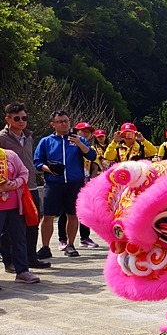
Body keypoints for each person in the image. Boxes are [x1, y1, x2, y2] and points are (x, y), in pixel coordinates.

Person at [34, 110, 97, 259]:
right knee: (48, 216)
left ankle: (71, 245)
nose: (64, 124)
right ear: (53, 124)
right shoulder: (46, 141)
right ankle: (45, 247)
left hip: (74, 183)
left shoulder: (79, 140)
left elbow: (91, 156)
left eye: (66, 121)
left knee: (73, 215)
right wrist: (48, 169)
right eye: (60, 121)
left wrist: (79, 143)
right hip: (53, 183)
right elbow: (37, 162)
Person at [0, 102, 50, 270]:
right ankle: (9, 260)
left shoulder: (28, 136)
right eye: (17, 118)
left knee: (32, 221)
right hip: (11, 190)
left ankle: (31, 257)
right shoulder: (2, 138)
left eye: (24, 118)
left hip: (31, 186)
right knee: (9, 228)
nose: (21, 121)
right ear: (8, 119)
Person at [0, 144, 39, 284]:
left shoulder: (10, 155)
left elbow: (24, 172)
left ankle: (22, 271)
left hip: (15, 206)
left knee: (19, 238)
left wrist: (16, 183)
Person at [61, 122, 101, 249]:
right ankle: (63, 239)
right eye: (82, 131)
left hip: (85, 181)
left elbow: (95, 164)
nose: (86, 134)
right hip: (70, 181)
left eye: (88, 132)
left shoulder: (90, 148)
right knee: (65, 211)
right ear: (76, 132)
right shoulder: (69, 145)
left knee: (84, 210)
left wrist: (92, 181)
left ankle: (84, 237)